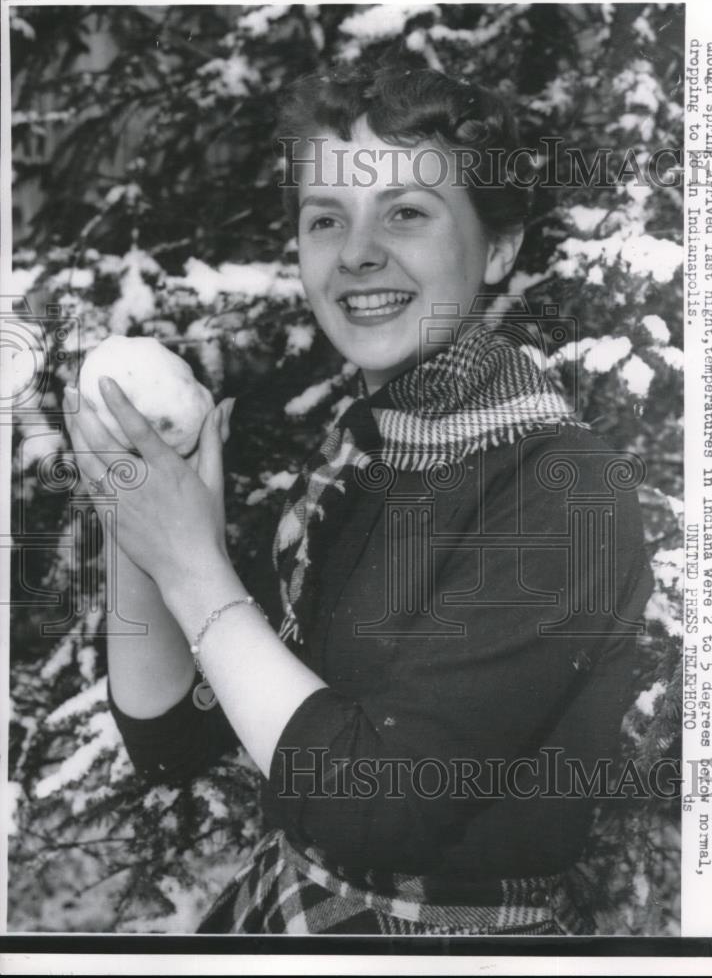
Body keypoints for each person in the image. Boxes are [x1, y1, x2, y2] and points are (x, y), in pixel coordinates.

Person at [63, 65, 654, 936]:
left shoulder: (564, 492)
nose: (356, 253)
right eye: (325, 219)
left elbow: (376, 807)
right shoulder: (366, 455)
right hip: (294, 916)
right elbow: (170, 738)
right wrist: (139, 509)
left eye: (406, 213)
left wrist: (193, 562)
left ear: (498, 248)